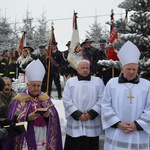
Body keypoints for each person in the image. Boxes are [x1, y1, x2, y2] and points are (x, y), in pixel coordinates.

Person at [3, 59, 62, 150]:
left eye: (38, 85)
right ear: (27, 84)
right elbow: (13, 119)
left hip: (43, 133)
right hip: (26, 134)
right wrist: (27, 117)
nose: (36, 88)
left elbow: (54, 119)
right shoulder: (19, 100)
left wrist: (48, 115)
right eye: (34, 85)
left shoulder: (45, 99)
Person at [101, 41, 150, 150]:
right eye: (128, 69)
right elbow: (105, 105)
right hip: (116, 131)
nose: (131, 72)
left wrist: (137, 125)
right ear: (122, 69)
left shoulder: (146, 85)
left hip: (138, 134)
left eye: (134, 69)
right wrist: (117, 123)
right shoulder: (112, 83)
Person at [63, 59, 105, 150]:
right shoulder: (71, 82)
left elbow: (102, 99)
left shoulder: (98, 82)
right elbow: (66, 99)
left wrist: (91, 113)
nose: (85, 70)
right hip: (76, 121)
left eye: (87, 68)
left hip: (91, 121)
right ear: (77, 69)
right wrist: (77, 114)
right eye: (82, 68)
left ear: (90, 70)